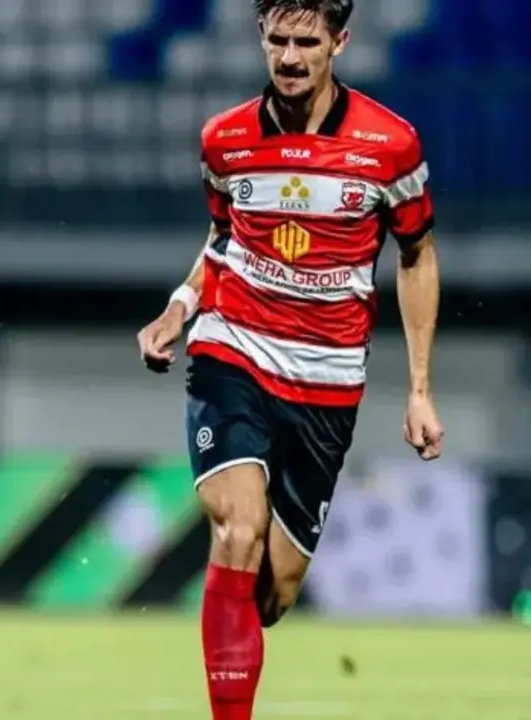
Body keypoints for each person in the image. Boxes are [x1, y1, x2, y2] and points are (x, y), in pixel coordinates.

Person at [135, 1, 442, 718]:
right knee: (236, 530)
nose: (291, 56)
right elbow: (222, 244)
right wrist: (179, 310)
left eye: (308, 40)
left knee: (269, 594)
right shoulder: (225, 141)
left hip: (327, 382)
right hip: (233, 350)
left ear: (341, 41)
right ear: (260, 39)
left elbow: (418, 253)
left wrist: (421, 387)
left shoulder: (390, 146)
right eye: (277, 39)